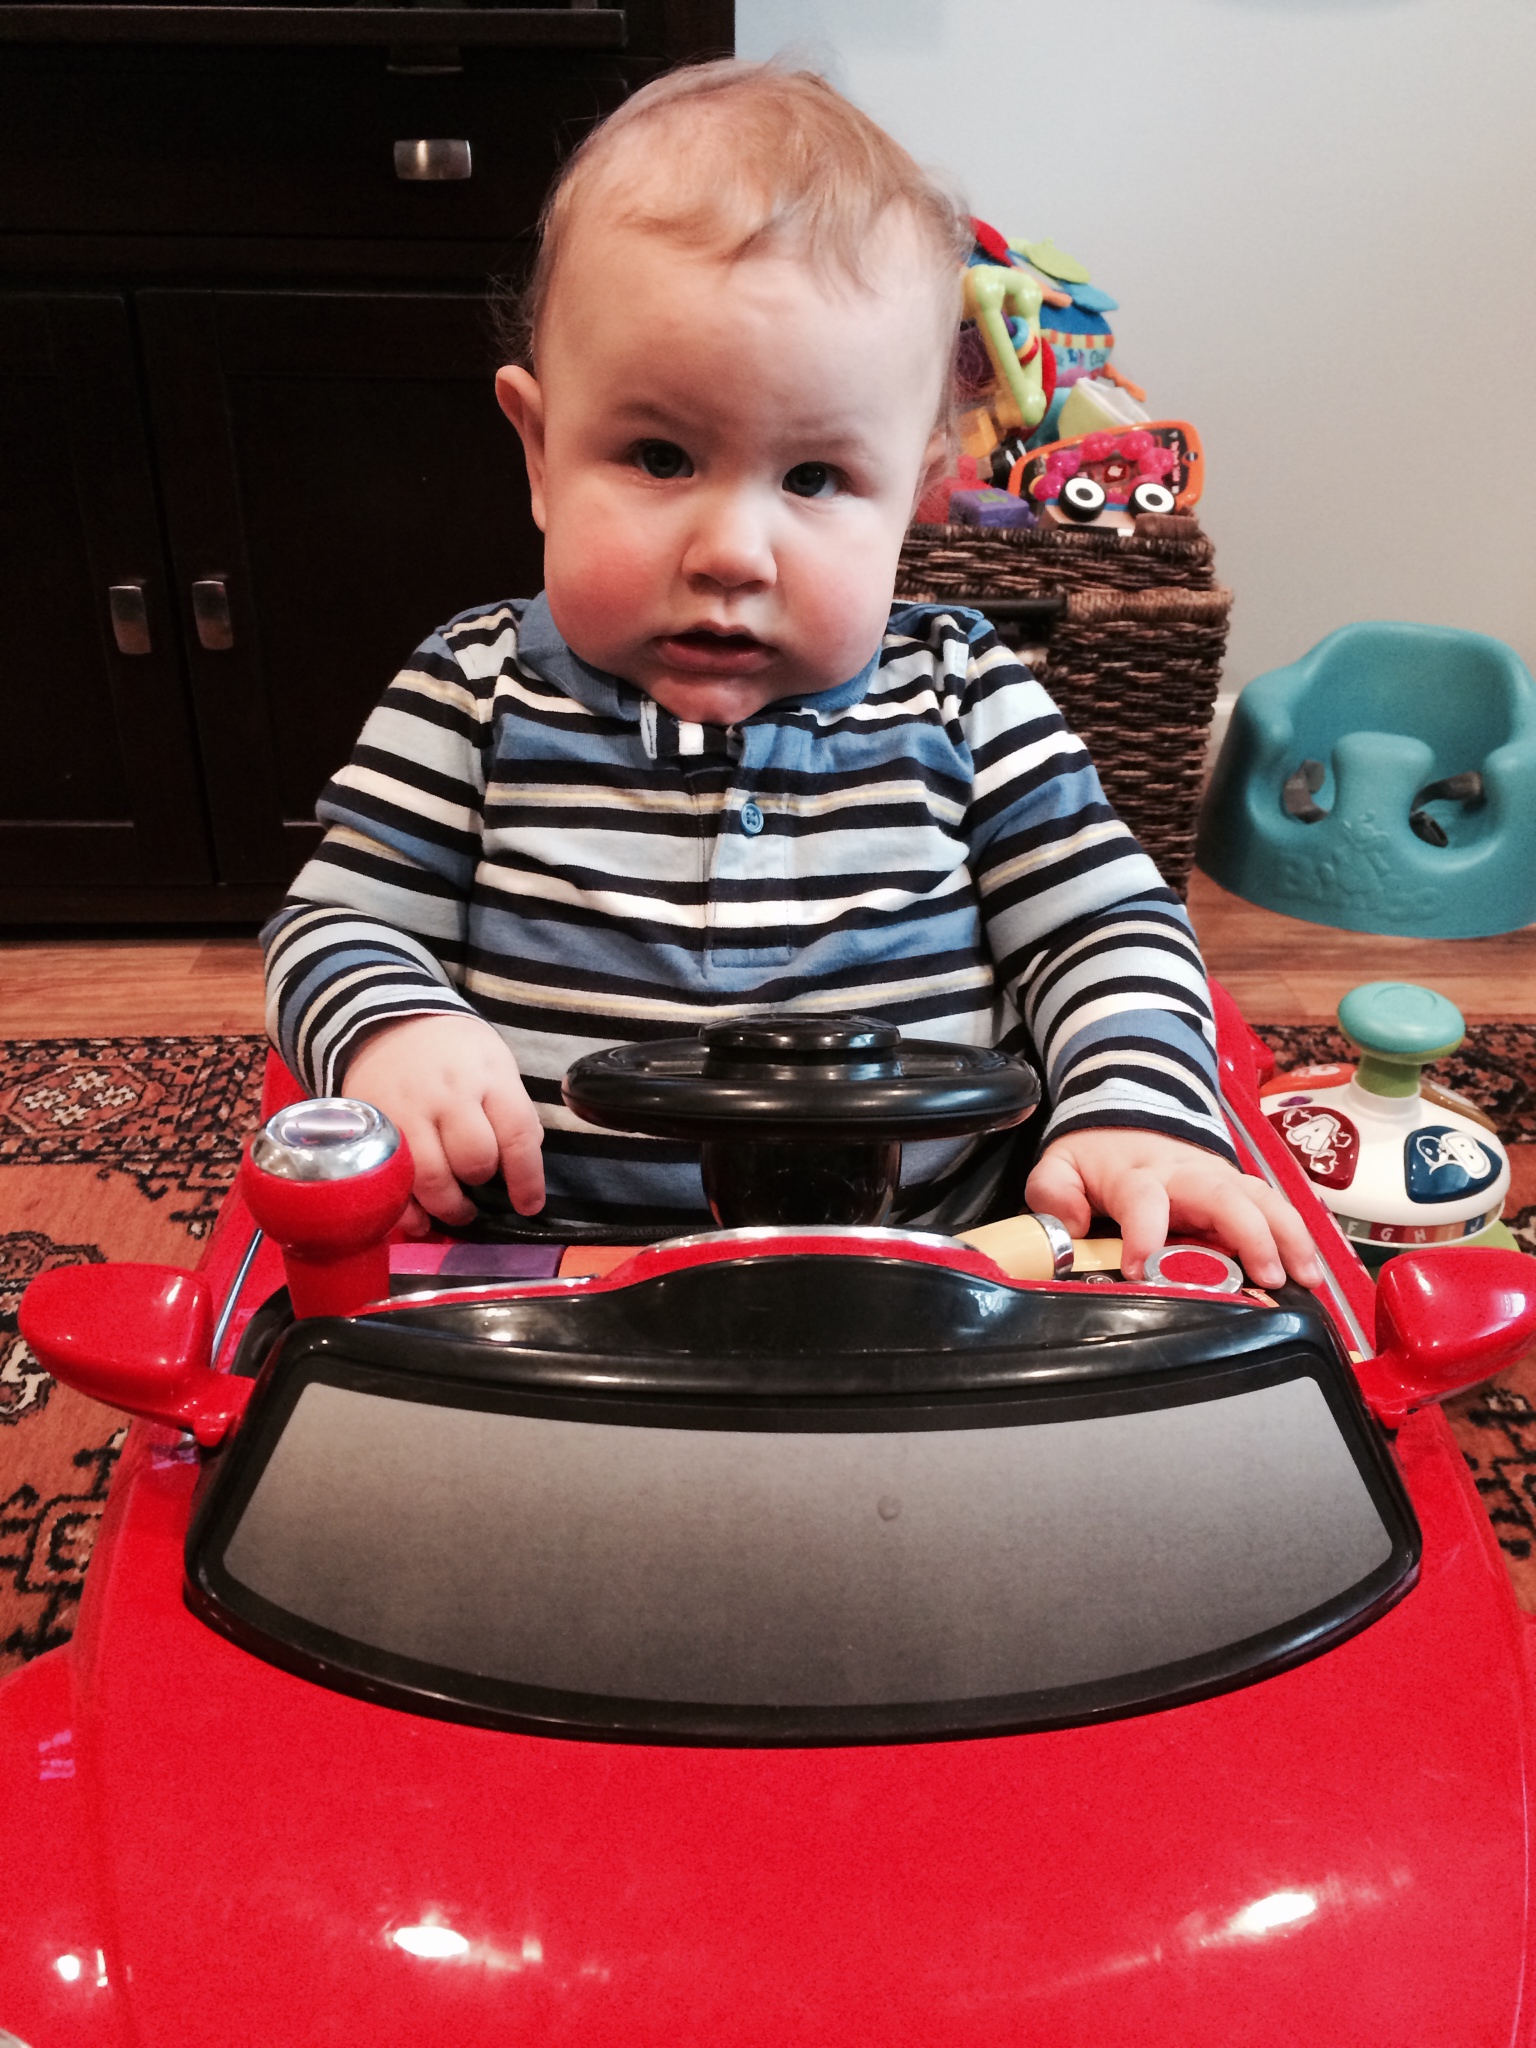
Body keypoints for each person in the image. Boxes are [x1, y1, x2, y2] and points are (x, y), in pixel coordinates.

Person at [263, 59, 1321, 1289]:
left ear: (916, 495)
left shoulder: (966, 697)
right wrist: (394, 1026)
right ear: (541, 453)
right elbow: (334, 920)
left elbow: (1107, 926)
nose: (731, 551)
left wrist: (1131, 1113)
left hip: (948, 1274)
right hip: (544, 1292)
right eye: (659, 456)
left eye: (815, 478)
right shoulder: (473, 690)